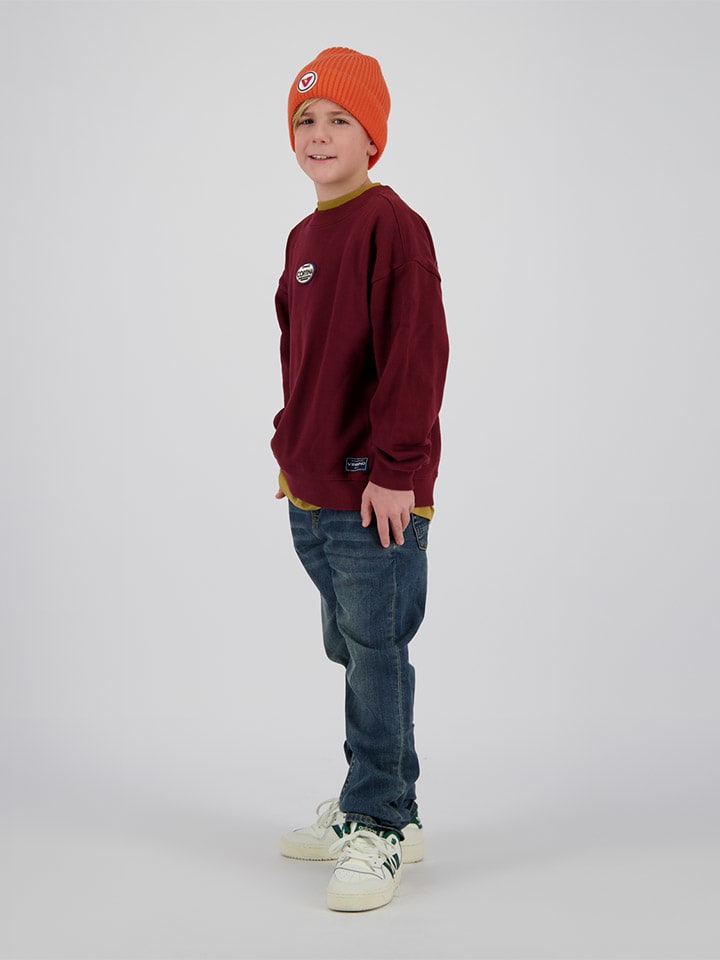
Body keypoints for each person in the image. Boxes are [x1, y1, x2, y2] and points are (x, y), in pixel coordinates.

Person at [271, 46, 449, 912]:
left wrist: (396, 470)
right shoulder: (305, 237)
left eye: (340, 119)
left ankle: (378, 821)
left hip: (374, 494)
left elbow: (415, 354)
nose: (320, 134)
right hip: (311, 492)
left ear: (372, 136)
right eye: (305, 120)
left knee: (378, 655)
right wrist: (289, 450)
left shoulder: (392, 226)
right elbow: (298, 357)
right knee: (353, 649)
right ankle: (380, 808)